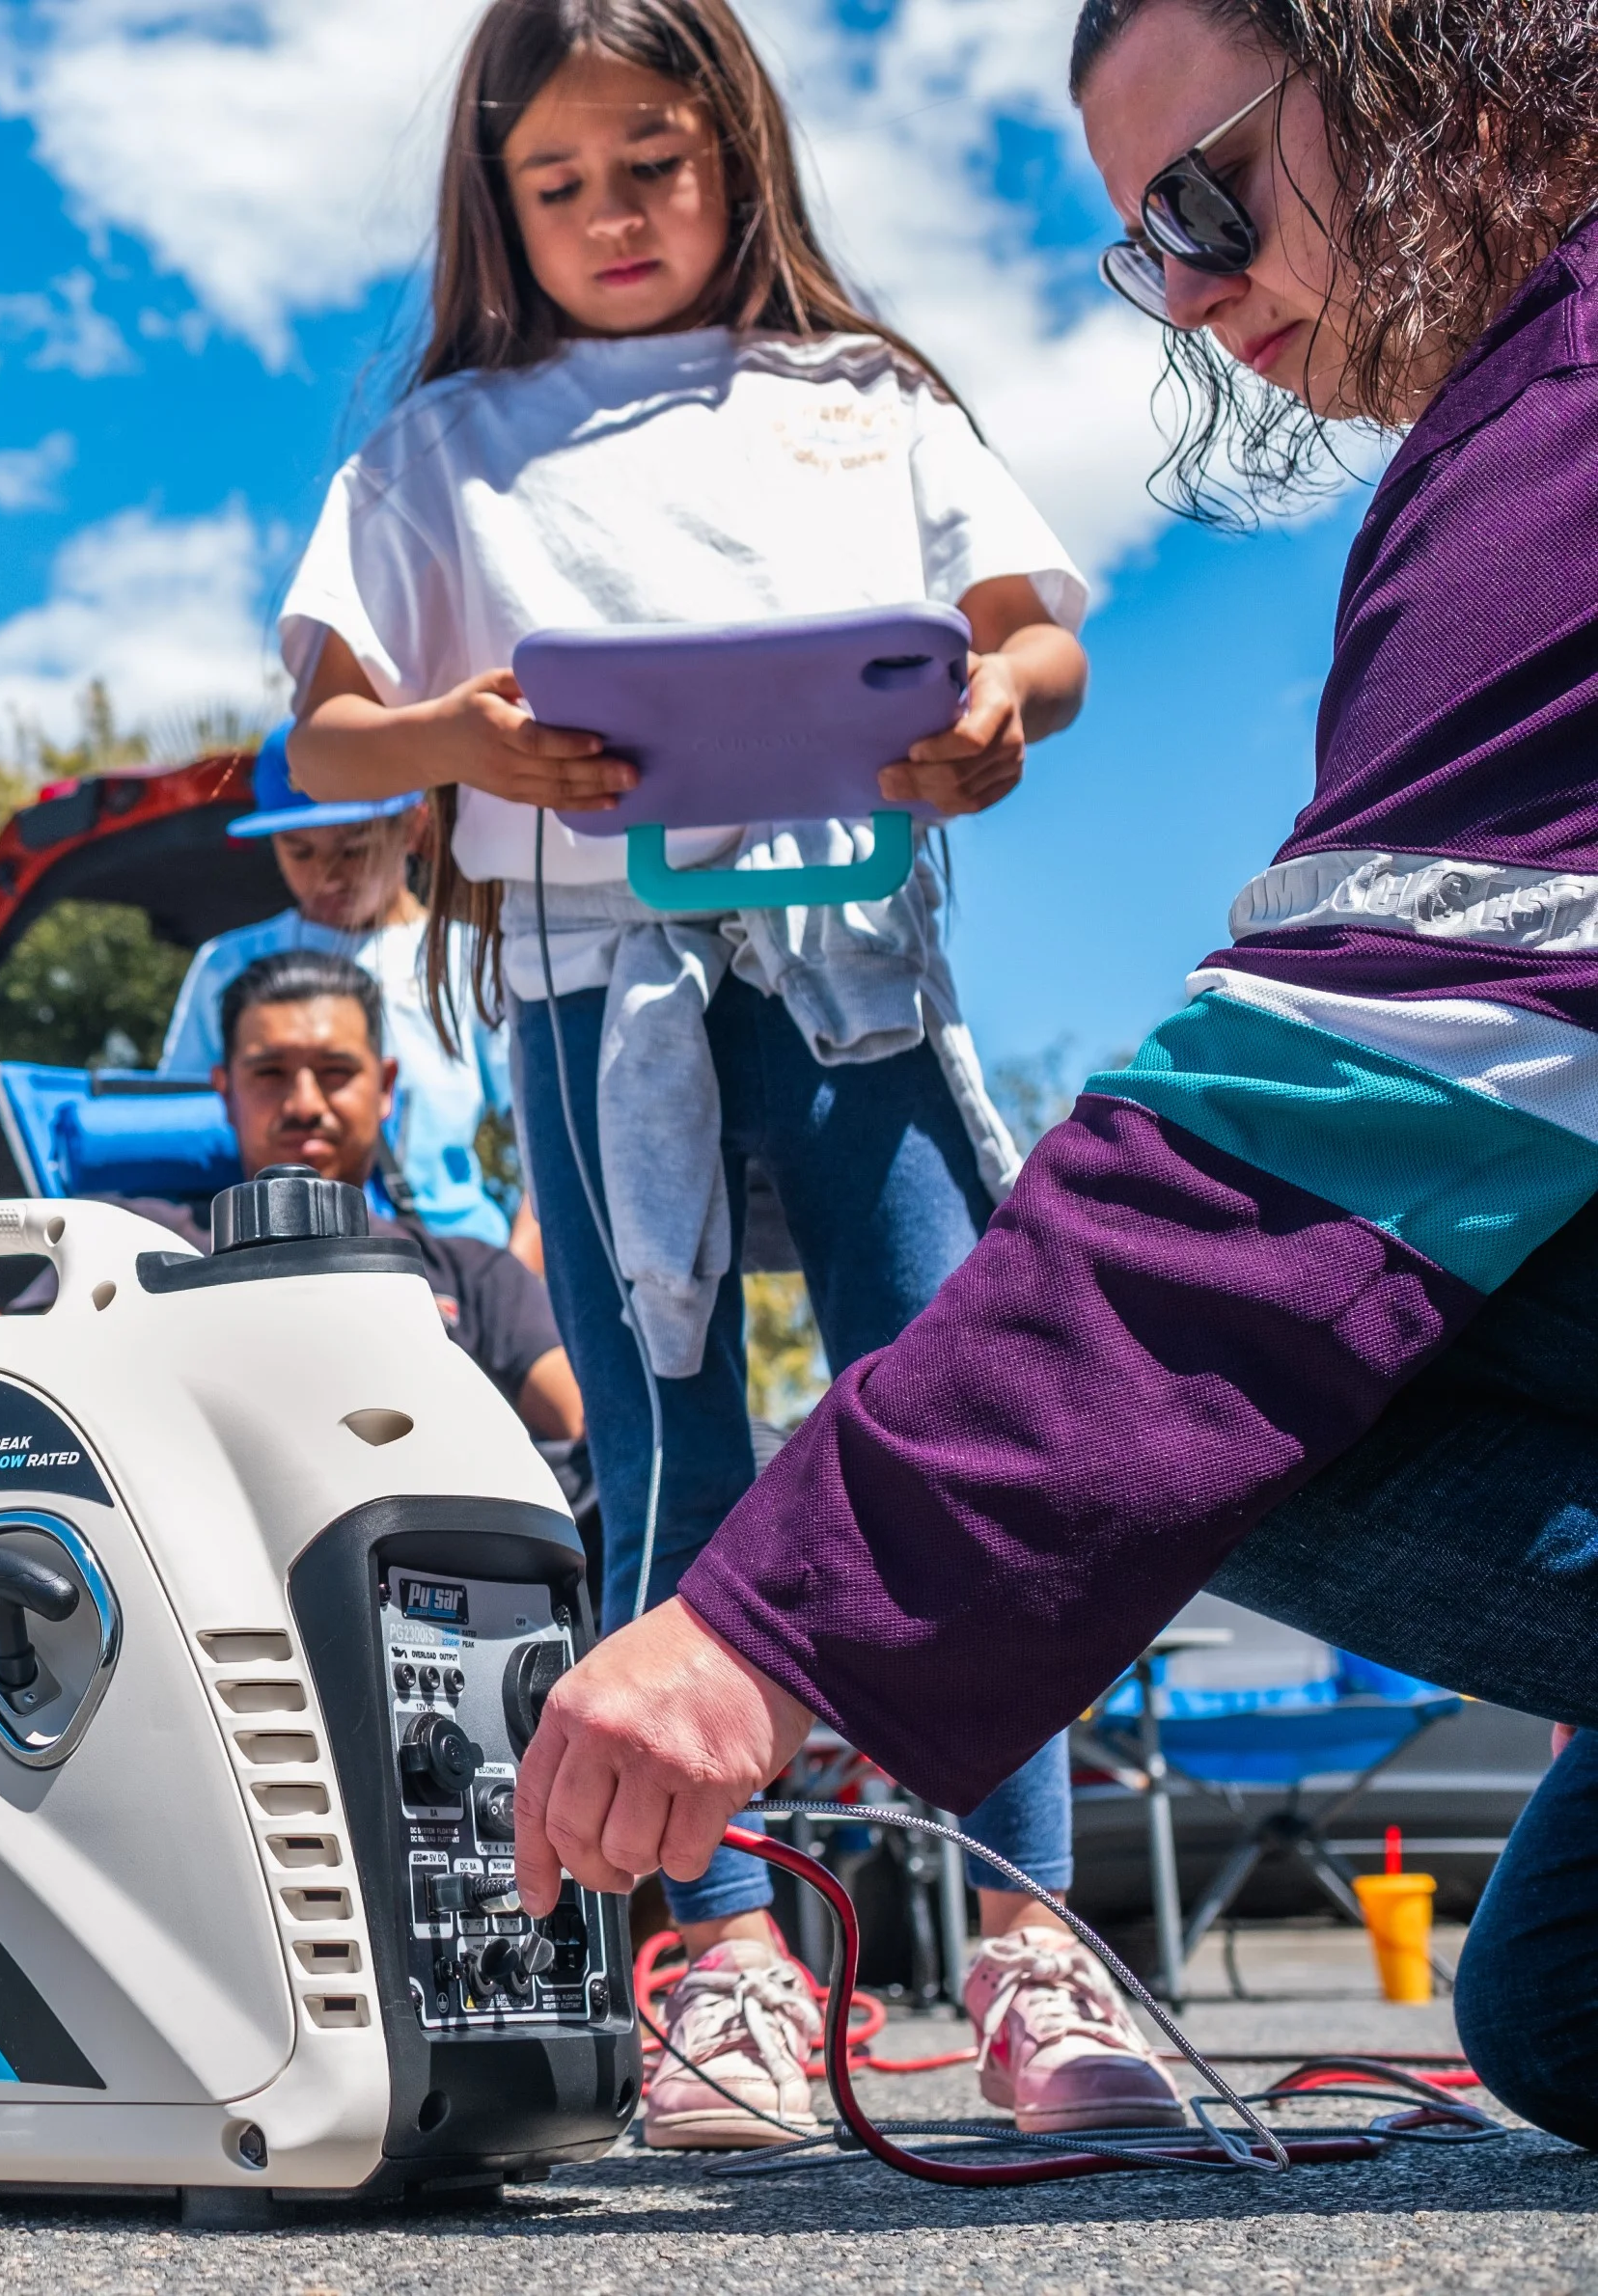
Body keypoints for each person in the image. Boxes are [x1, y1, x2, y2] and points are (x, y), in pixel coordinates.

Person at [508, 0, 1598, 2155]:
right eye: (1141, 246)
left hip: (853, 987)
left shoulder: (1559, 435)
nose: (1183, 290)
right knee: (1556, 1999)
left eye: (1204, 195)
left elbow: (1303, 1136)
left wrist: (761, 1620)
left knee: (1259, 1380)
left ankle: (1018, 1936)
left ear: (1430, 69)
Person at [279, 0, 1169, 2150]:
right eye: (555, 182)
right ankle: (722, 1950)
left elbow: (1030, 638)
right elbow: (321, 735)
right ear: (495, 200)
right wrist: (456, 743)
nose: (607, 216)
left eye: (650, 167)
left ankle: (1029, 1936)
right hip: (593, 994)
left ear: (738, 155)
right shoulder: (436, 448)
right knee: (671, 1438)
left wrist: (993, 714)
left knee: (943, 1406)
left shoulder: (856, 396)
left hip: (854, 959)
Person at [71, 948, 584, 1445]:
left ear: (385, 1087)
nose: (304, 1104)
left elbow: (589, 1432)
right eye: (270, 1073)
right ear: (225, 1093)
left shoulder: (475, 1274)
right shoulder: (124, 1242)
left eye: (335, 1072)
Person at [160, 723, 525, 1252]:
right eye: (300, 851)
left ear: (414, 825)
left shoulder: (471, 959)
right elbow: (183, 1136)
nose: (328, 875)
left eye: (354, 850)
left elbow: (550, 1140)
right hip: (275, 1262)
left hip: (450, 1262)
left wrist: (518, 1277)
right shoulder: (226, 965)